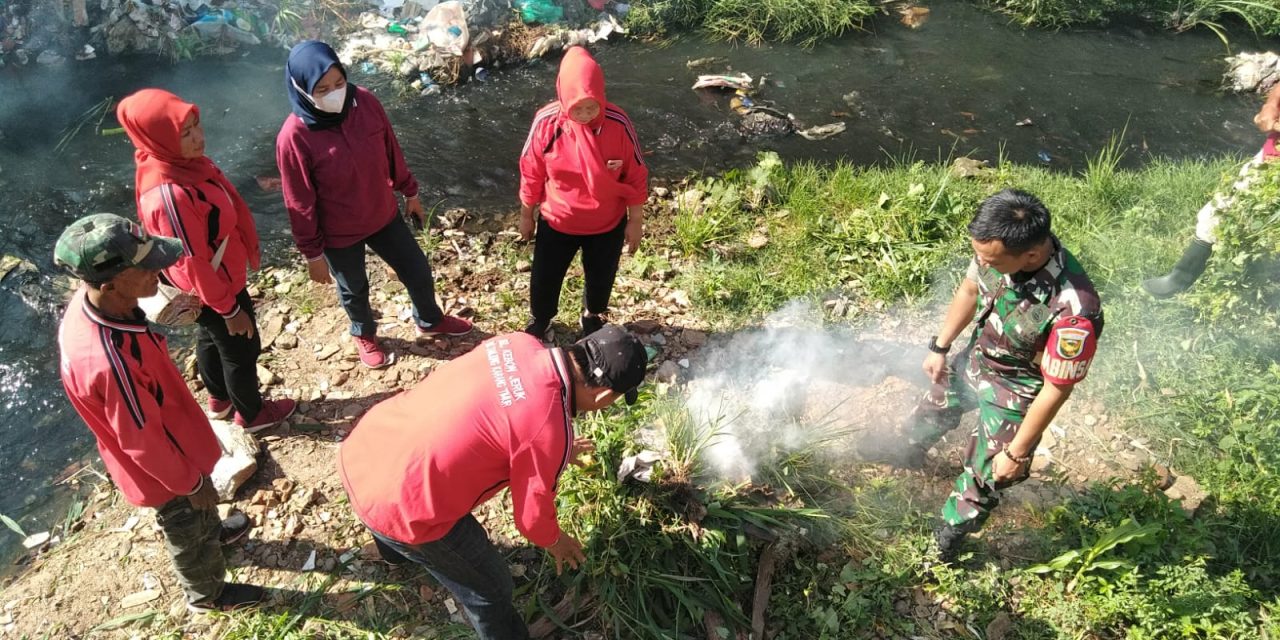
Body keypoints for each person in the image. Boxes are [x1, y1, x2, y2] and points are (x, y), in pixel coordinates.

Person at [338, 325, 648, 639]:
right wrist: (557, 541)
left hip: (367, 448)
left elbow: (501, 414)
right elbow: (531, 522)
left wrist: (552, 449)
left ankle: (393, 554)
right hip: (402, 507)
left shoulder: (519, 342)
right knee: (492, 586)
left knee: (391, 498)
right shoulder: (546, 430)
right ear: (605, 395)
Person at [54, 213, 264, 612]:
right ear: (111, 283)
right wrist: (189, 484)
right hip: (167, 473)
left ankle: (214, 532)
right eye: (147, 267)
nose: (160, 270)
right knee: (186, 526)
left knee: (201, 518)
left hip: (176, 442)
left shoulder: (95, 306)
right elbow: (143, 443)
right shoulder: (110, 362)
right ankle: (207, 594)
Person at [904, 190, 1103, 562]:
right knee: (933, 406)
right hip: (976, 359)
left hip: (1018, 390)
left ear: (1029, 254)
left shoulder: (1074, 310)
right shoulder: (994, 250)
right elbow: (968, 289)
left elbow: (1056, 391)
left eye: (990, 259)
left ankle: (946, 540)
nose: (982, 262)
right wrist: (941, 346)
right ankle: (907, 450)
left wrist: (1018, 451)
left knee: (986, 474)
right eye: (979, 254)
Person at [276, 40, 471, 369]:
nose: (335, 93)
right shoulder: (294, 137)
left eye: (339, 83)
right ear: (301, 88)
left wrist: (410, 193)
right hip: (339, 233)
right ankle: (364, 333)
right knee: (354, 288)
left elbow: (390, 148)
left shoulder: (363, 102)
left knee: (417, 269)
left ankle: (429, 318)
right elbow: (300, 202)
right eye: (322, 89)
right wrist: (312, 254)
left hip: (382, 214)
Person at [117, 88, 296, 431]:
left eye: (196, 125)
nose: (198, 137)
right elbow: (193, 260)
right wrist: (229, 309)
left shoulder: (170, 163)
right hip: (214, 285)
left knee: (209, 338)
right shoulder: (170, 194)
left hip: (208, 285)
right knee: (241, 347)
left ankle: (219, 399)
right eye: (184, 133)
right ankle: (253, 414)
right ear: (160, 138)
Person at [518, 45, 648, 339]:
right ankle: (541, 320)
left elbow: (636, 174)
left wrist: (635, 221)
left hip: (606, 224)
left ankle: (592, 316)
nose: (586, 114)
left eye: (593, 106)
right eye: (578, 107)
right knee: (545, 278)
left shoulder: (618, 124)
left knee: (601, 278)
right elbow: (531, 172)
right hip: (558, 220)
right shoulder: (546, 124)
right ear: (564, 97)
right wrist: (527, 215)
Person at [1143, 82, 1280, 297]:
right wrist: (1271, 105)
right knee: (1218, 213)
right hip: (1270, 161)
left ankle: (1265, 286)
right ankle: (1180, 278)